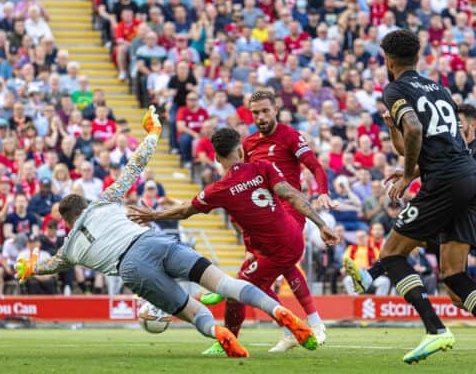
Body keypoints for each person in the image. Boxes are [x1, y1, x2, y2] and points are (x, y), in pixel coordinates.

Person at [16, 107, 320, 358]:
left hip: (133, 268)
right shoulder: (102, 202)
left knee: (191, 310)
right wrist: (152, 135)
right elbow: (133, 168)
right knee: (225, 282)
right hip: (151, 240)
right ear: (86, 203)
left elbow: (51, 265)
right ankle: (279, 311)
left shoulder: (69, 248)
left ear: (69, 223)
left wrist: (31, 269)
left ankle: (221, 334)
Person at [128, 127, 339, 354]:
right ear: (240, 151)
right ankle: (291, 330)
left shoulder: (219, 189)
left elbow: (185, 211)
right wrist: (322, 225)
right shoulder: (264, 167)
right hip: (291, 239)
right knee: (251, 279)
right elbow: (292, 195)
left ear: (217, 158)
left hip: (276, 251)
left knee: (235, 293)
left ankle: (228, 342)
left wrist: (154, 215)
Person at [345, 30, 476, 363]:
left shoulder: (396, 88)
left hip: (444, 181)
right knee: (454, 275)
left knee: (391, 254)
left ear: (388, 60)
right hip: (467, 176)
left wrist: (406, 176)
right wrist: (394, 131)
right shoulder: (440, 90)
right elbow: (427, 142)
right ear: (417, 57)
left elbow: (415, 131)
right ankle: (368, 278)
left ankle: (435, 330)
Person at [198, 90, 337, 354]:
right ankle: (287, 330)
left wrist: (323, 192)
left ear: (276, 109)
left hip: (290, 209)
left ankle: (314, 322)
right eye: (256, 113)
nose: (261, 117)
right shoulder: (248, 144)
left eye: (265, 111)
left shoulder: (290, 136)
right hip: (264, 213)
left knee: (280, 262)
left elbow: (315, 167)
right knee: (265, 272)